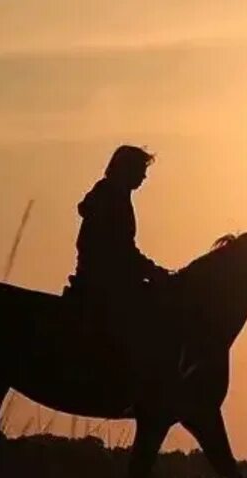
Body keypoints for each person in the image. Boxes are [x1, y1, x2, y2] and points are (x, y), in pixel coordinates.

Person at [64, 145, 171, 395]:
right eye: (141, 171)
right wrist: (152, 271)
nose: (144, 177)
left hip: (109, 276)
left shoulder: (113, 196)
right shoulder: (109, 198)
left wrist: (149, 271)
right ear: (127, 170)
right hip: (103, 280)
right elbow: (119, 248)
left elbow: (123, 248)